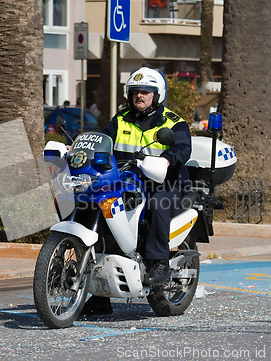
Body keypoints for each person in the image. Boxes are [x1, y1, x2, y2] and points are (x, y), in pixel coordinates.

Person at [81, 67, 192, 315]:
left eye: (145, 92)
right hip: (126, 181)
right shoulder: (120, 120)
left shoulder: (173, 122)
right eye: (135, 92)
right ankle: (100, 295)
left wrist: (167, 159)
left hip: (165, 183)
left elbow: (183, 148)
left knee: (156, 205)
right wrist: (78, 147)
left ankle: (159, 264)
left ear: (157, 94)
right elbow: (102, 139)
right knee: (99, 208)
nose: (139, 96)